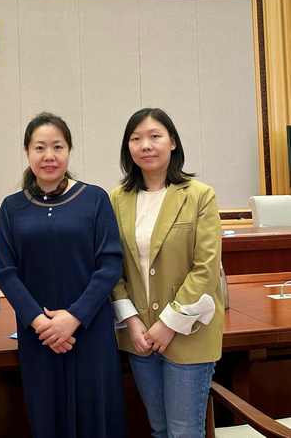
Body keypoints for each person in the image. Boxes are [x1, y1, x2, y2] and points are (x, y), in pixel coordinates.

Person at [0, 112, 125, 437]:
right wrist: (42, 323)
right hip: (38, 336)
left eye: (57, 146)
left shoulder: (95, 198)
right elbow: (6, 272)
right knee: (46, 417)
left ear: (69, 150)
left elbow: (110, 265)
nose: (49, 155)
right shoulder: (12, 207)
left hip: (90, 329)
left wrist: (73, 317)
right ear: (27, 151)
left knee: (96, 419)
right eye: (40, 147)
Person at [110, 107, 224, 437]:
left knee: (184, 431)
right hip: (139, 336)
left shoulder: (199, 195)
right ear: (128, 147)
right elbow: (111, 268)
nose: (145, 145)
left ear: (172, 142)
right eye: (136, 138)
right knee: (159, 430)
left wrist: (168, 324)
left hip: (189, 332)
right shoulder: (116, 199)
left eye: (155, 136)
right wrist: (132, 321)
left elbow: (205, 269)